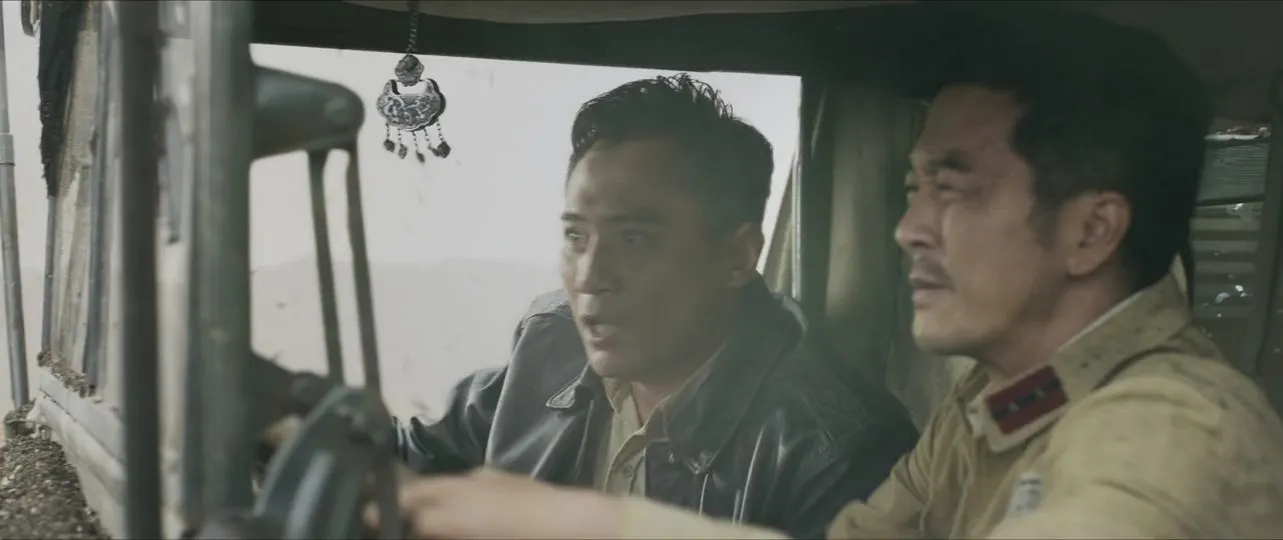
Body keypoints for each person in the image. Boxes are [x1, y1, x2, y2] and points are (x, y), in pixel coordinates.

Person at [367, 9, 1283, 540]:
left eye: (953, 191)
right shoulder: (994, 408)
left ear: (1090, 231)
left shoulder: (1166, 427)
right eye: (912, 188)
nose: (908, 229)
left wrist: (590, 525)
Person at [383, 74, 918, 539]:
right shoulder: (552, 345)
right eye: (576, 237)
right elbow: (408, 456)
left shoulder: (833, 448)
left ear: (737, 256)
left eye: (634, 239)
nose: (590, 277)